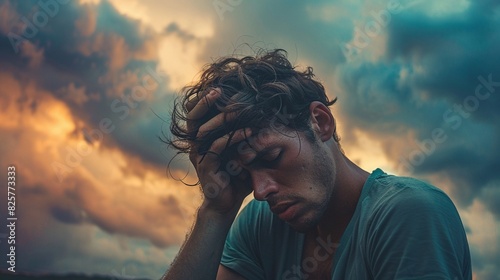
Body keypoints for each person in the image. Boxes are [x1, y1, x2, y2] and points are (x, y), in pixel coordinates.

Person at [162, 49, 472, 280]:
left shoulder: (408, 214)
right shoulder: (259, 223)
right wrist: (216, 213)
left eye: (271, 157)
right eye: (244, 173)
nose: (259, 191)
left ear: (320, 122)